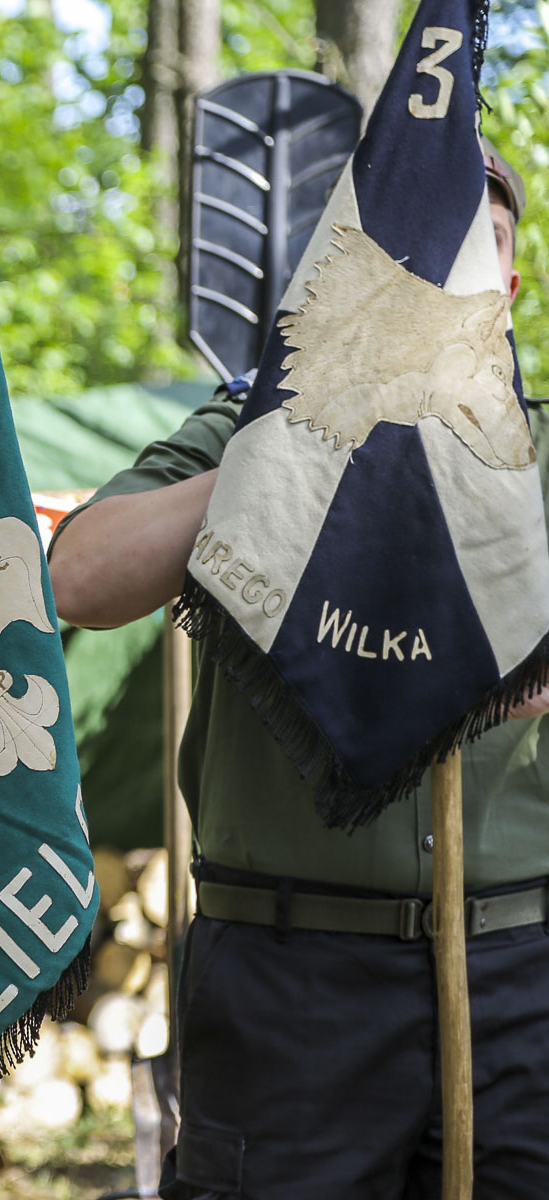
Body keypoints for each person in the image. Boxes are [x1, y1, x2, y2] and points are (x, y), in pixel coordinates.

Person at [49, 143, 549, 1197]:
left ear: (507, 283)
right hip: (293, 983)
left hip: (519, 972)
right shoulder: (245, 426)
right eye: (415, 244)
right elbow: (79, 580)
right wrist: (295, 436)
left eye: (477, 245)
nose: (444, 268)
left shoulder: (539, 453)